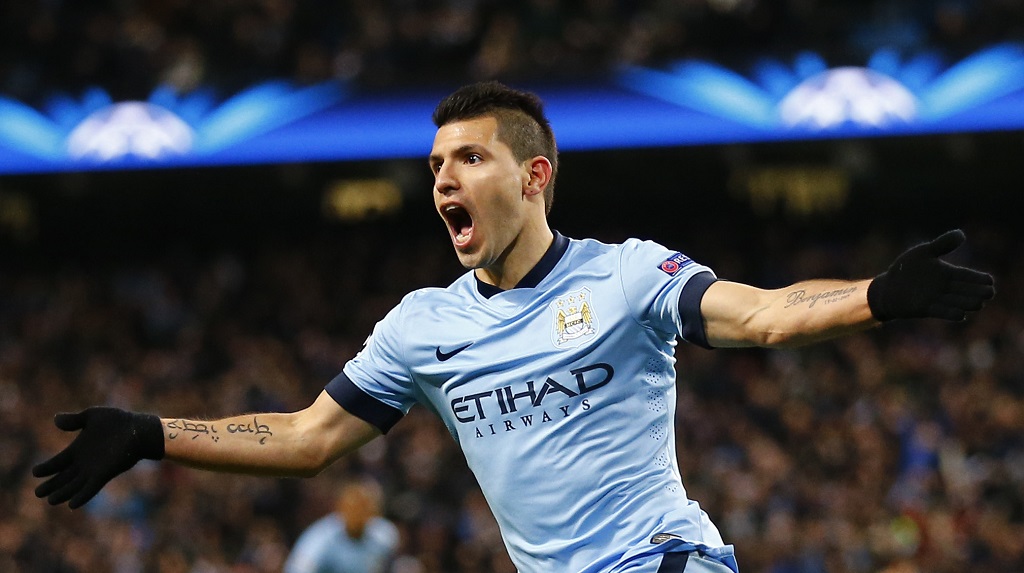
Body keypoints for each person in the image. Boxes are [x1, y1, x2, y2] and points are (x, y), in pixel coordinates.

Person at [33, 81, 995, 573]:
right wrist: (152, 433)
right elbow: (303, 437)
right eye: (435, 164)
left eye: (470, 158)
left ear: (536, 175)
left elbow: (759, 315)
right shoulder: (421, 328)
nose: (442, 178)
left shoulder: (623, 276)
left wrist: (874, 293)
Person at [282, 477, 399, 573]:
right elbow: (296, 569)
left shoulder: (385, 534)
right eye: (354, 507)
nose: (359, 512)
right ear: (341, 507)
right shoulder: (319, 538)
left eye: (365, 507)